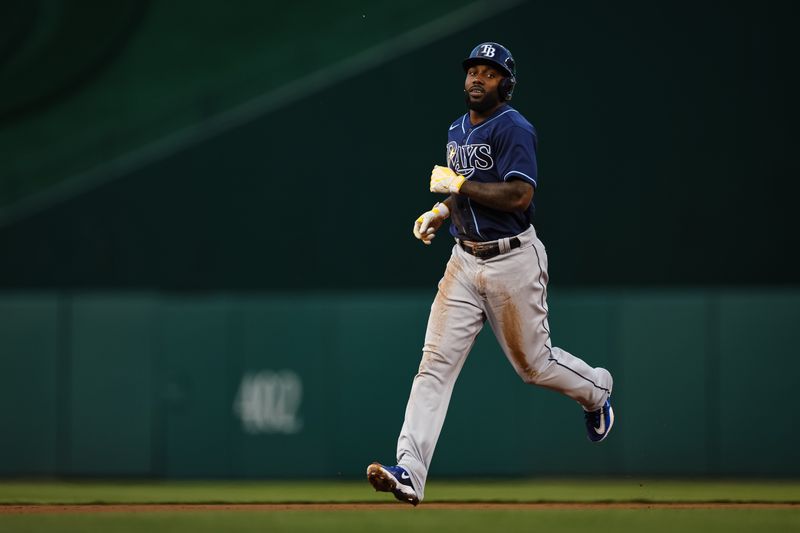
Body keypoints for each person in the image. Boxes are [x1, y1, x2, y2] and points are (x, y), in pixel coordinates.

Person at [366, 42, 614, 506]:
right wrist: (442, 210)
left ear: (507, 83)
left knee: (534, 366)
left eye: (490, 72)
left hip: (512, 260)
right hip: (463, 260)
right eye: (473, 70)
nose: (478, 78)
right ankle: (409, 472)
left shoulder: (514, 127)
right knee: (433, 366)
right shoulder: (456, 129)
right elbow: (467, 191)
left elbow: (519, 196)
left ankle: (597, 390)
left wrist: (458, 185)